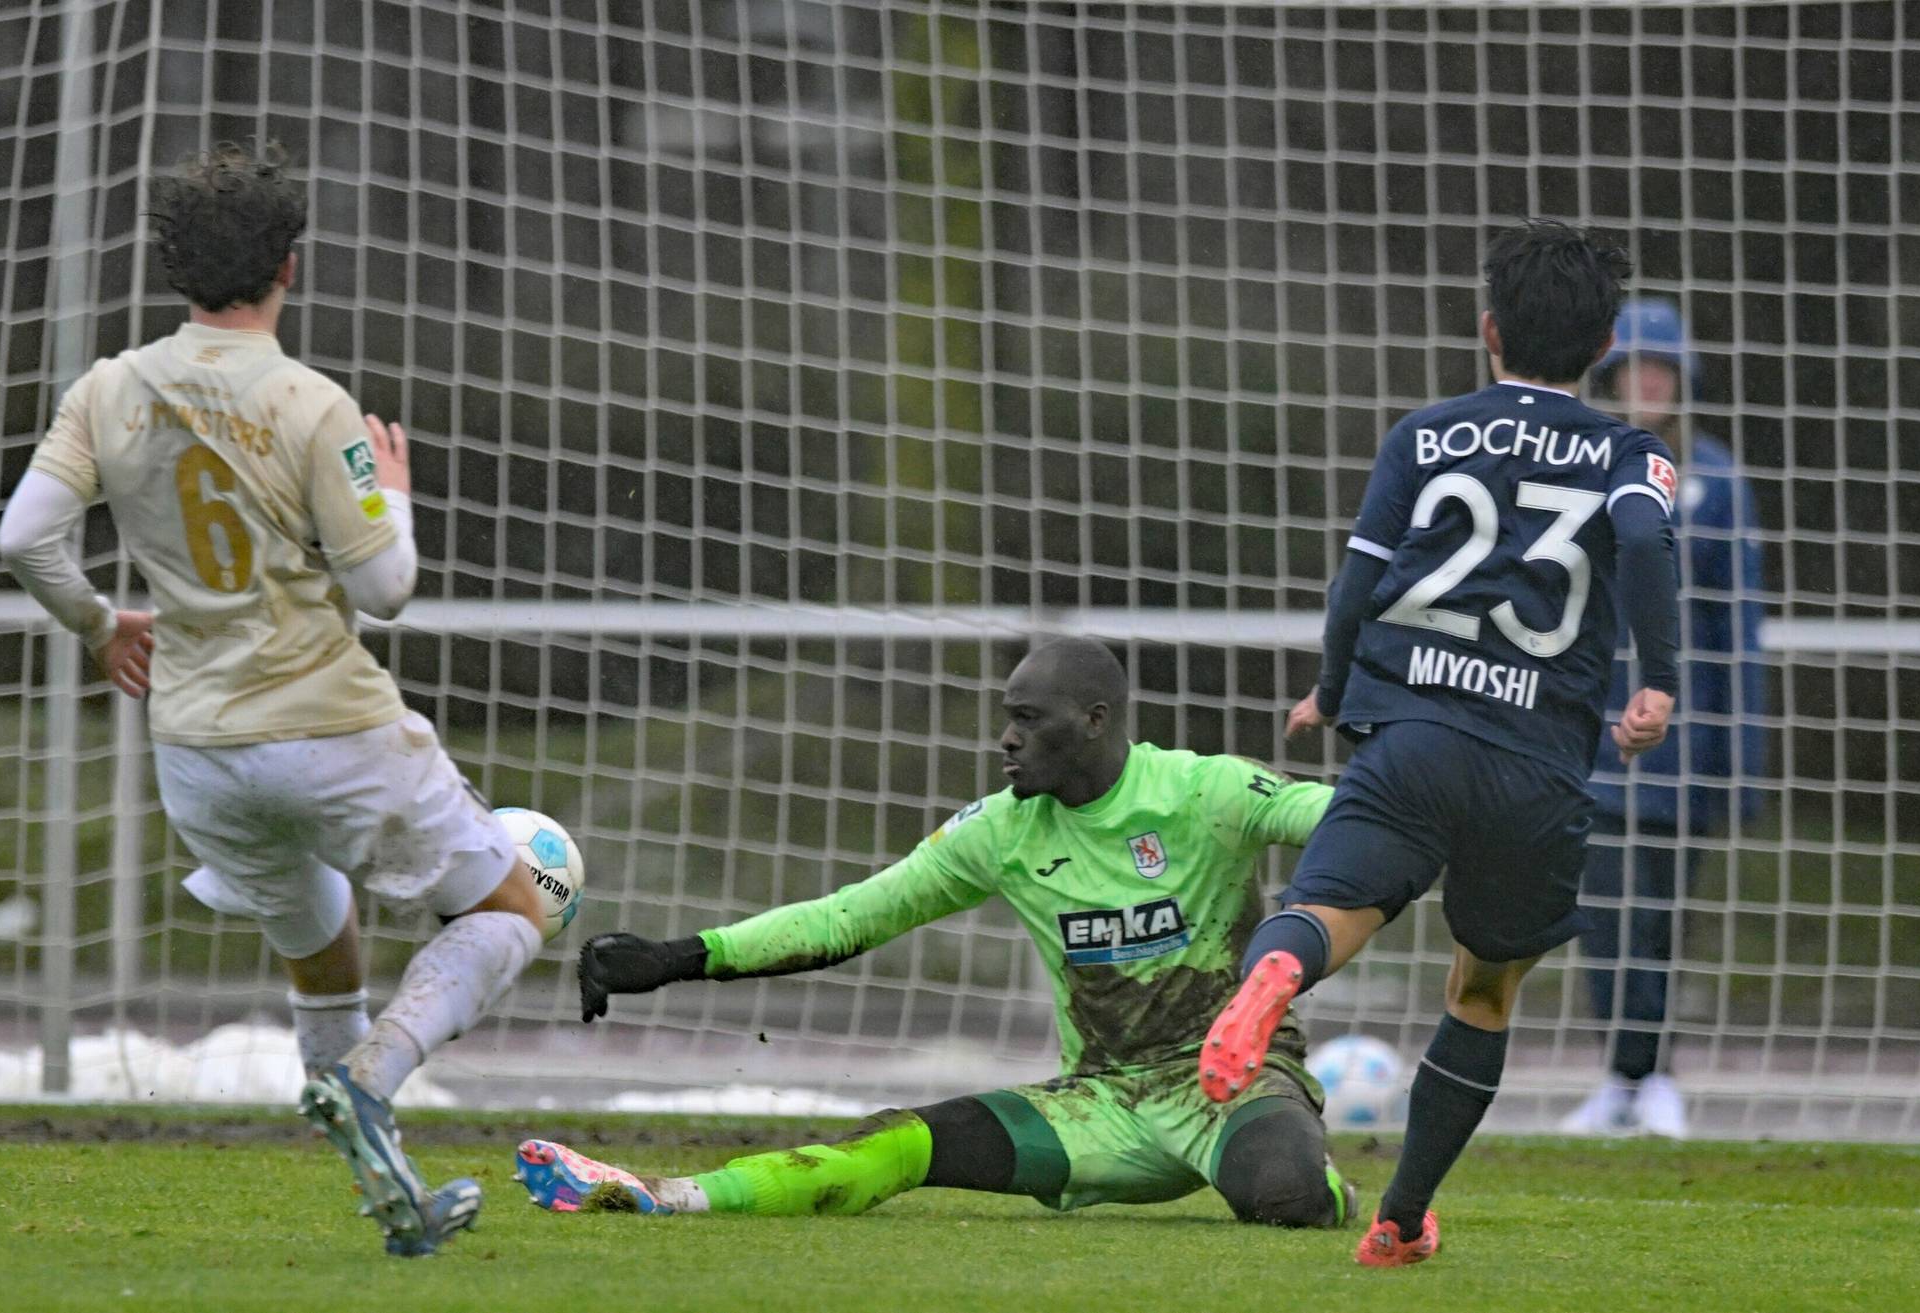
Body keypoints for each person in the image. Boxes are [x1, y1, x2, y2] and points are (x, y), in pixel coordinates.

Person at [0, 142, 545, 1258]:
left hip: (196, 749)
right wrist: (393, 495)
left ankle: (387, 1188)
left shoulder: (108, 387)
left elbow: (22, 537)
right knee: (513, 906)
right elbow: (386, 589)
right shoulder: (311, 403)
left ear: (175, 267)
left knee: (324, 950)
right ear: (289, 264)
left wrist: (100, 625)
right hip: (328, 725)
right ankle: (372, 1080)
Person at [1196, 219, 1682, 1268]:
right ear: (1603, 347)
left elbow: (1357, 583)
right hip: (1535, 762)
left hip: (1411, 733)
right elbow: (1644, 536)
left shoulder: (1424, 436)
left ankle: (1274, 973)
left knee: (1327, 911)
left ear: (1489, 329)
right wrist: (1657, 681)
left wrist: (1331, 692)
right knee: (1483, 990)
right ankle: (1401, 1218)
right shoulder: (1630, 453)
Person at [524, 637, 1357, 1230]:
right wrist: (680, 956)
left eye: (1028, 719)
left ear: (1095, 720)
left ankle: (1332, 1184)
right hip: (1102, 1104)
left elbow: (1349, 822)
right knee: (901, 1141)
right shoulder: (1000, 830)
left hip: (1234, 1085)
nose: (1006, 738)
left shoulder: (1202, 791)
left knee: (1287, 1198)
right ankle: (668, 1194)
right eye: (1006, 717)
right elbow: (850, 915)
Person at [1559, 300, 1766, 1140]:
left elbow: (1738, 628)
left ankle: (1653, 1077)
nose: (1647, 383)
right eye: (1634, 369)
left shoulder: (1716, 480)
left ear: (1683, 381)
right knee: (1601, 915)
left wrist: (1741, 756)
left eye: (1662, 370)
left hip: (1686, 744)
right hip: (1593, 738)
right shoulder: (1582, 466)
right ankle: (1620, 1077)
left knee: (1661, 918)